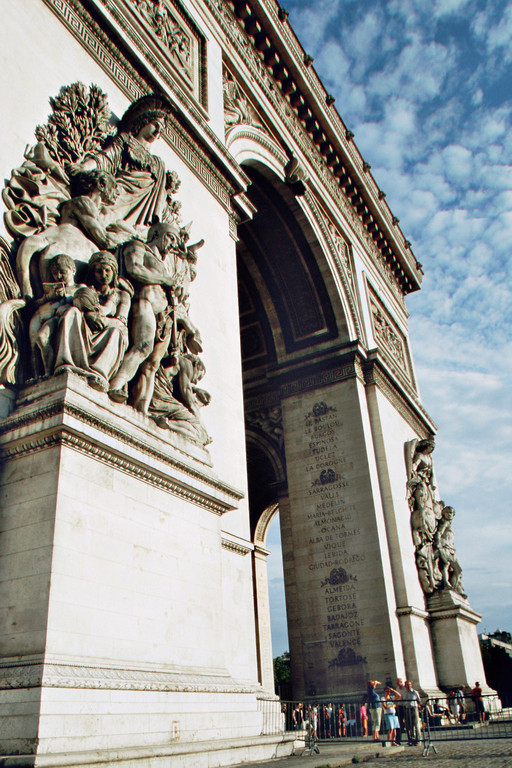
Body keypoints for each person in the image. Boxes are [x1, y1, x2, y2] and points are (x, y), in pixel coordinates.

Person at [54, 251, 131, 391]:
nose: (103, 274)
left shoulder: (121, 295)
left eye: (107, 270)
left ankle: (98, 373)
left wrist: (101, 320)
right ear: (92, 273)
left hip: (107, 330)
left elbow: (121, 321)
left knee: (117, 332)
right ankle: (67, 363)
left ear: (114, 272)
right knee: (72, 312)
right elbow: (66, 306)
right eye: (98, 271)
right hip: (85, 329)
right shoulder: (84, 289)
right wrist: (89, 315)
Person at [29, 254, 81, 376]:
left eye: (62, 272)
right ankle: (44, 374)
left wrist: (67, 294)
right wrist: (49, 296)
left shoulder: (79, 287)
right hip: (52, 319)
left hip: (66, 320)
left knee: (42, 337)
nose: (58, 276)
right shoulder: (53, 290)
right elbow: (36, 303)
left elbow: (83, 301)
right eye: (55, 273)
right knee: (40, 338)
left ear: (73, 270)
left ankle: (49, 373)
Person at [403, 680, 422, 745]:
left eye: (409, 684)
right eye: (407, 685)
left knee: (416, 724)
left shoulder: (415, 692)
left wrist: (420, 707)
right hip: (407, 709)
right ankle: (411, 739)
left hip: (414, 708)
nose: (408, 686)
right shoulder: (404, 693)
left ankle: (418, 740)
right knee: (409, 725)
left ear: (411, 685)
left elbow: (419, 700)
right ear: (405, 685)